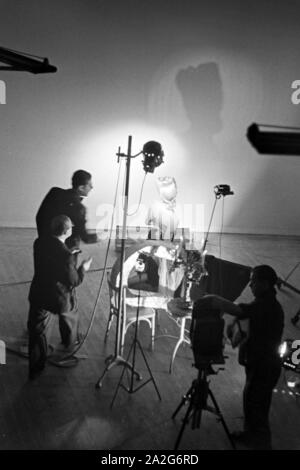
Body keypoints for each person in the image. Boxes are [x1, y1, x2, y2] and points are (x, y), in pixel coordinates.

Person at [193, 265, 284, 449]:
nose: (250, 285)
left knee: (257, 408)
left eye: (253, 281)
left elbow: (241, 311)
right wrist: (235, 325)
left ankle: (261, 444)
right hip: (259, 364)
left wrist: (215, 300)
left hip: (264, 367)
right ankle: (249, 435)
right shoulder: (264, 302)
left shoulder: (267, 306)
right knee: (251, 403)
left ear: (265, 284)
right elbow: (247, 316)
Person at [27, 215, 92, 380]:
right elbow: (74, 281)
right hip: (58, 298)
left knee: (37, 331)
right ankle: (70, 345)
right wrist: (83, 267)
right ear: (67, 231)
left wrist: (69, 255)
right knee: (71, 313)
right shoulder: (66, 256)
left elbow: (52, 259)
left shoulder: (39, 242)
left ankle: (35, 366)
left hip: (39, 293)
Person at [36, 169, 99, 251]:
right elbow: (85, 237)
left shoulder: (54, 192)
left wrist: (43, 237)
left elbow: (40, 216)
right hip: (66, 252)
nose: (92, 187)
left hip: (43, 246)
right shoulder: (79, 209)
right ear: (81, 188)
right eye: (89, 185)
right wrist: (101, 236)